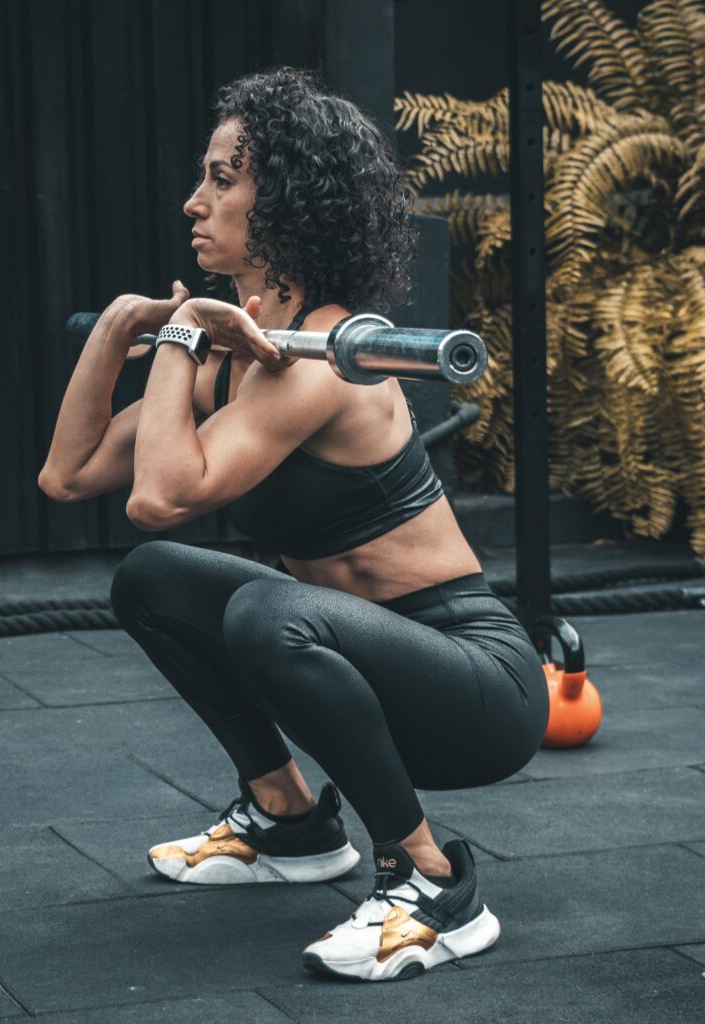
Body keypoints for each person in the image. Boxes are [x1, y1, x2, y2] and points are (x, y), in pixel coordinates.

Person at [39, 66, 549, 983]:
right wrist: (118, 332)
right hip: (356, 666)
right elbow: (69, 475)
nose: (195, 200)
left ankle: (434, 883)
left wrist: (188, 331)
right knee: (152, 578)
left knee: (268, 613)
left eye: (223, 179)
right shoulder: (237, 345)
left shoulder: (323, 357)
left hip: (475, 686)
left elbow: (160, 492)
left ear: (289, 205)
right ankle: (291, 820)